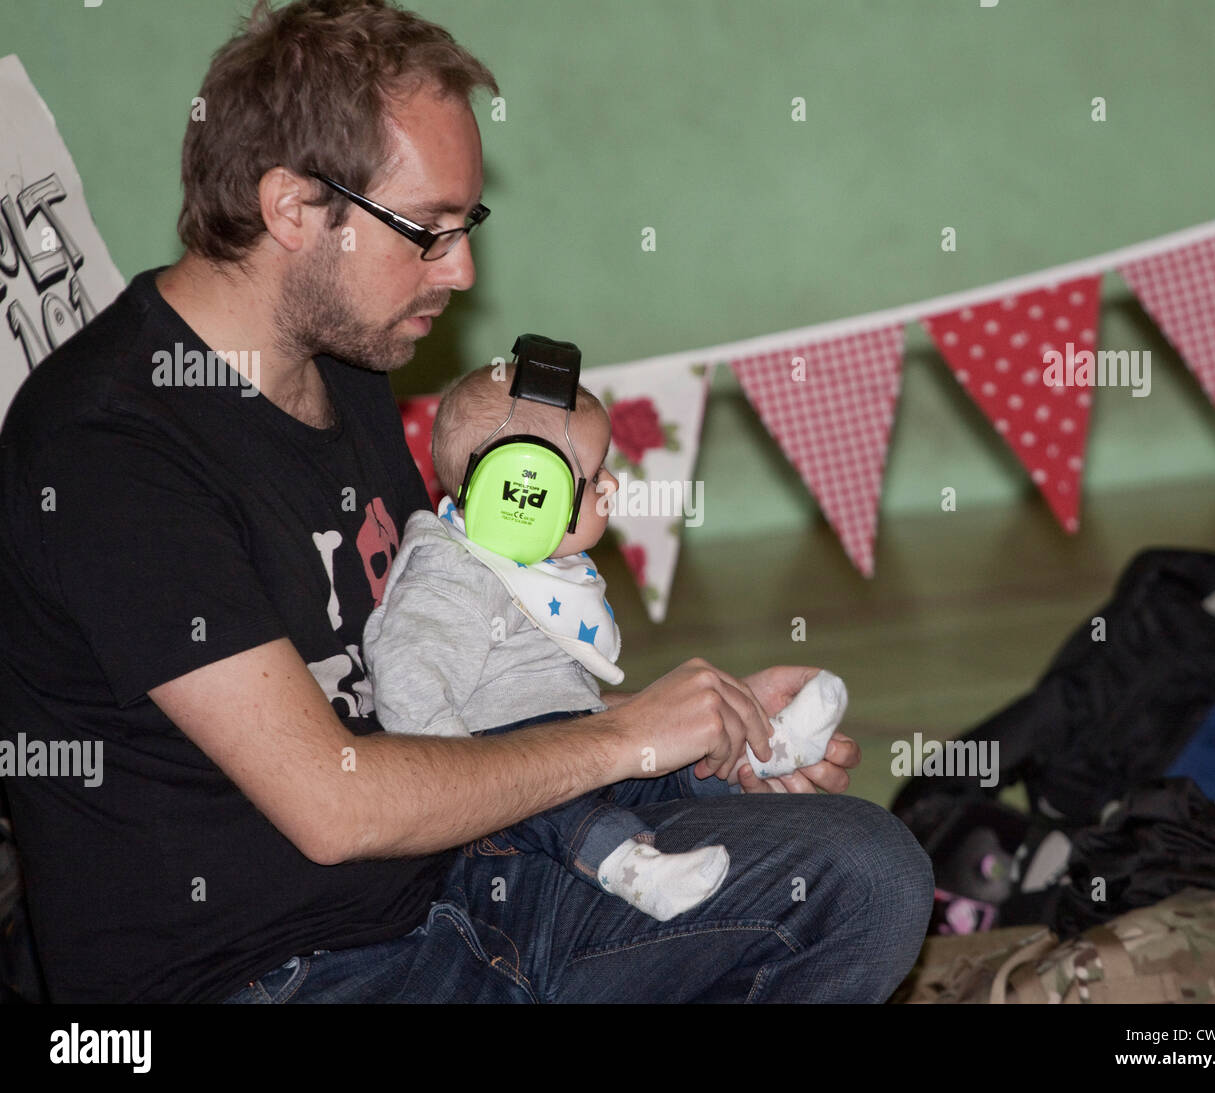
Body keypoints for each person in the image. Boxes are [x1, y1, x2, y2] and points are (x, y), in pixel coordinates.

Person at [0, 0, 933, 1003]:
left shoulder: (344, 372)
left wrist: (700, 742)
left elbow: (445, 701)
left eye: (465, 225)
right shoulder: (110, 447)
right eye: (428, 230)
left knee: (864, 875)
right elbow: (333, 802)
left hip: (457, 891)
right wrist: (626, 739)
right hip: (272, 975)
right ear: (293, 209)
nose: (462, 269)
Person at [363, 361, 849, 922]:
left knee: (655, 765)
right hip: (503, 776)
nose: (612, 485)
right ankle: (630, 867)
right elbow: (406, 675)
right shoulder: (450, 576)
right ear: (521, 493)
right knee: (560, 800)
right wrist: (465, 777)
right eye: (593, 477)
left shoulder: (529, 564)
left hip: (569, 737)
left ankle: (764, 752)